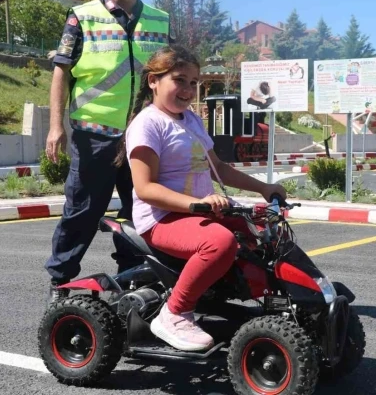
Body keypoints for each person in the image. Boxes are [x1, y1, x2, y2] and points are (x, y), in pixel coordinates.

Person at [118, 45, 287, 352]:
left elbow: (218, 168)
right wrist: (198, 204)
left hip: (195, 212)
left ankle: (276, 302)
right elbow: (145, 189)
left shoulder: (190, 120)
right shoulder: (148, 123)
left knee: (261, 225)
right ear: (154, 81)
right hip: (162, 218)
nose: (188, 89)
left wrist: (263, 188)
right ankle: (174, 313)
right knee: (219, 243)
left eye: (193, 82)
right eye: (180, 80)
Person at [44, 0, 171, 305]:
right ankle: (61, 283)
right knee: (82, 213)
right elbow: (61, 73)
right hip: (94, 136)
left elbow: (167, 77)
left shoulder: (159, 20)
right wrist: (56, 127)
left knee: (142, 214)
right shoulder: (82, 16)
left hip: (142, 137)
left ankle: (132, 282)